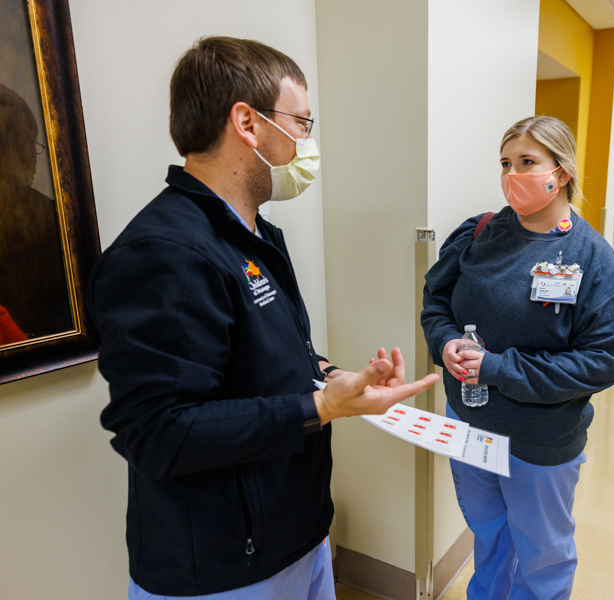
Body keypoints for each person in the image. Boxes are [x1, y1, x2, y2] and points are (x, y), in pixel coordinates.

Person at [88, 37, 438, 600]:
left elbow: (261, 357)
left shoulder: (254, 235)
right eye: (301, 123)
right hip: (226, 569)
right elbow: (159, 433)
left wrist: (326, 375)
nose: (307, 143)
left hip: (294, 533)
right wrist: (320, 406)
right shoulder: (166, 253)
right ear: (247, 124)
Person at [420, 115, 614, 599]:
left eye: (527, 162)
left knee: (542, 553)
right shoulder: (478, 234)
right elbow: (435, 302)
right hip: (470, 422)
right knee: (488, 533)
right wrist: (445, 341)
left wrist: (497, 368)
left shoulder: (593, 259)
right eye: (505, 162)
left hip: (540, 441)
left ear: (560, 173)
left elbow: (602, 360)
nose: (512, 174)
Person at [0, 84, 73, 341]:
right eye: (30, 143)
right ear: (17, 148)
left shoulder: (49, 213)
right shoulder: (51, 216)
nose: (34, 155)